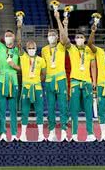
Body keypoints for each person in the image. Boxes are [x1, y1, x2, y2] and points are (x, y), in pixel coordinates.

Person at [60, 24, 97, 142]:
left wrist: (94, 81)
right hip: (75, 82)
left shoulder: (89, 50)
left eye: (81, 37)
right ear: (75, 40)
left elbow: (93, 66)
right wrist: (64, 24)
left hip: (87, 83)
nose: (79, 39)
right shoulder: (72, 48)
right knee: (74, 110)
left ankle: (90, 133)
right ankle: (74, 134)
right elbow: (64, 39)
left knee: (88, 110)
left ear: (84, 39)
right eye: (77, 37)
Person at [0, 12, 21, 141]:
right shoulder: (0, 48)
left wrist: (14, 66)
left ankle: (13, 134)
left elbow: (21, 69)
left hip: (13, 81)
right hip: (1, 82)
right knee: (1, 110)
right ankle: (2, 133)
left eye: (10, 35)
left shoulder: (18, 50)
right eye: (6, 35)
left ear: (13, 37)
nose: (8, 37)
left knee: (13, 111)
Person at [42, 11, 69, 141]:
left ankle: (64, 131)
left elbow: (65, 37)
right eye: (49, 35)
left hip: (61, 79)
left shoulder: (61, 45)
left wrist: (59, 20)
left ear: (57, 37)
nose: (51, 36)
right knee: (50, 107)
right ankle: (52, 132)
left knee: (63, 106)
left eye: (53, 35)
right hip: (48, 80)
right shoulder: (44, 49)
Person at [18, 35, 46, 142]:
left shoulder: (41, 60)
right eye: (29, 48)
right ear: (26, 49)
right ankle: (23, 135)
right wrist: (19, 26)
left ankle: (41, 135)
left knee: (39, 111)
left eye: (33, 48)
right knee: (25, 112)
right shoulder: (23, 57)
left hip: (37, 88)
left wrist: (38, 81)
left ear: (36, 48)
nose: (31, 50)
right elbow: (19, 44)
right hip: (26, 88)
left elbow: (44, 73)